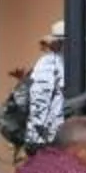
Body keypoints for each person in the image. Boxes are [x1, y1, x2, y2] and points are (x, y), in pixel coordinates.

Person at [20, 23, 67, 159]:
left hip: (50, 136)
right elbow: (39, 100)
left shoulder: (60, 62)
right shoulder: (49, 63)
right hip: (48, 138)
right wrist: (41, 134)